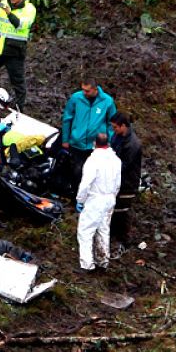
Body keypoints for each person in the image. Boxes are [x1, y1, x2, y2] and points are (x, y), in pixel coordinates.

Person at [75, 132, 122, 271]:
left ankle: (87, 265)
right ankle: (103, 261)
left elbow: (86, 183)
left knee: (85, 231)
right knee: (103, 229)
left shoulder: (93, 161)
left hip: (96, 198)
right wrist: (113, 196)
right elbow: (118, 183)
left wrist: (80, 200)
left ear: (94, 143)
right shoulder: (116, 160)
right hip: (110, 198)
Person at [61, 79, 118, 189]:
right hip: (77, 142)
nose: (84, 93)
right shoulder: (76, 98)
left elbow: (112, 124)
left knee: (94, 174)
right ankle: (76, 196)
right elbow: (67, 119)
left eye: (87, 91)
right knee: (76, 171)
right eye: (83, 90)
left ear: (95, 89)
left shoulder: (107, 101)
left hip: (97, 145)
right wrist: (65, 139)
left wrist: (110, 142)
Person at [109, 111, 143, 245]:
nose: (113, 130)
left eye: (115, 127)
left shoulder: (132, 144)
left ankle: (124, 238)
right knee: (114, 208)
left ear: (123, 126)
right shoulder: (117, 137)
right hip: (117, 179)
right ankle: (113, 234)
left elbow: (123, 165)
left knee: (122, 211)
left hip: (127, 182)